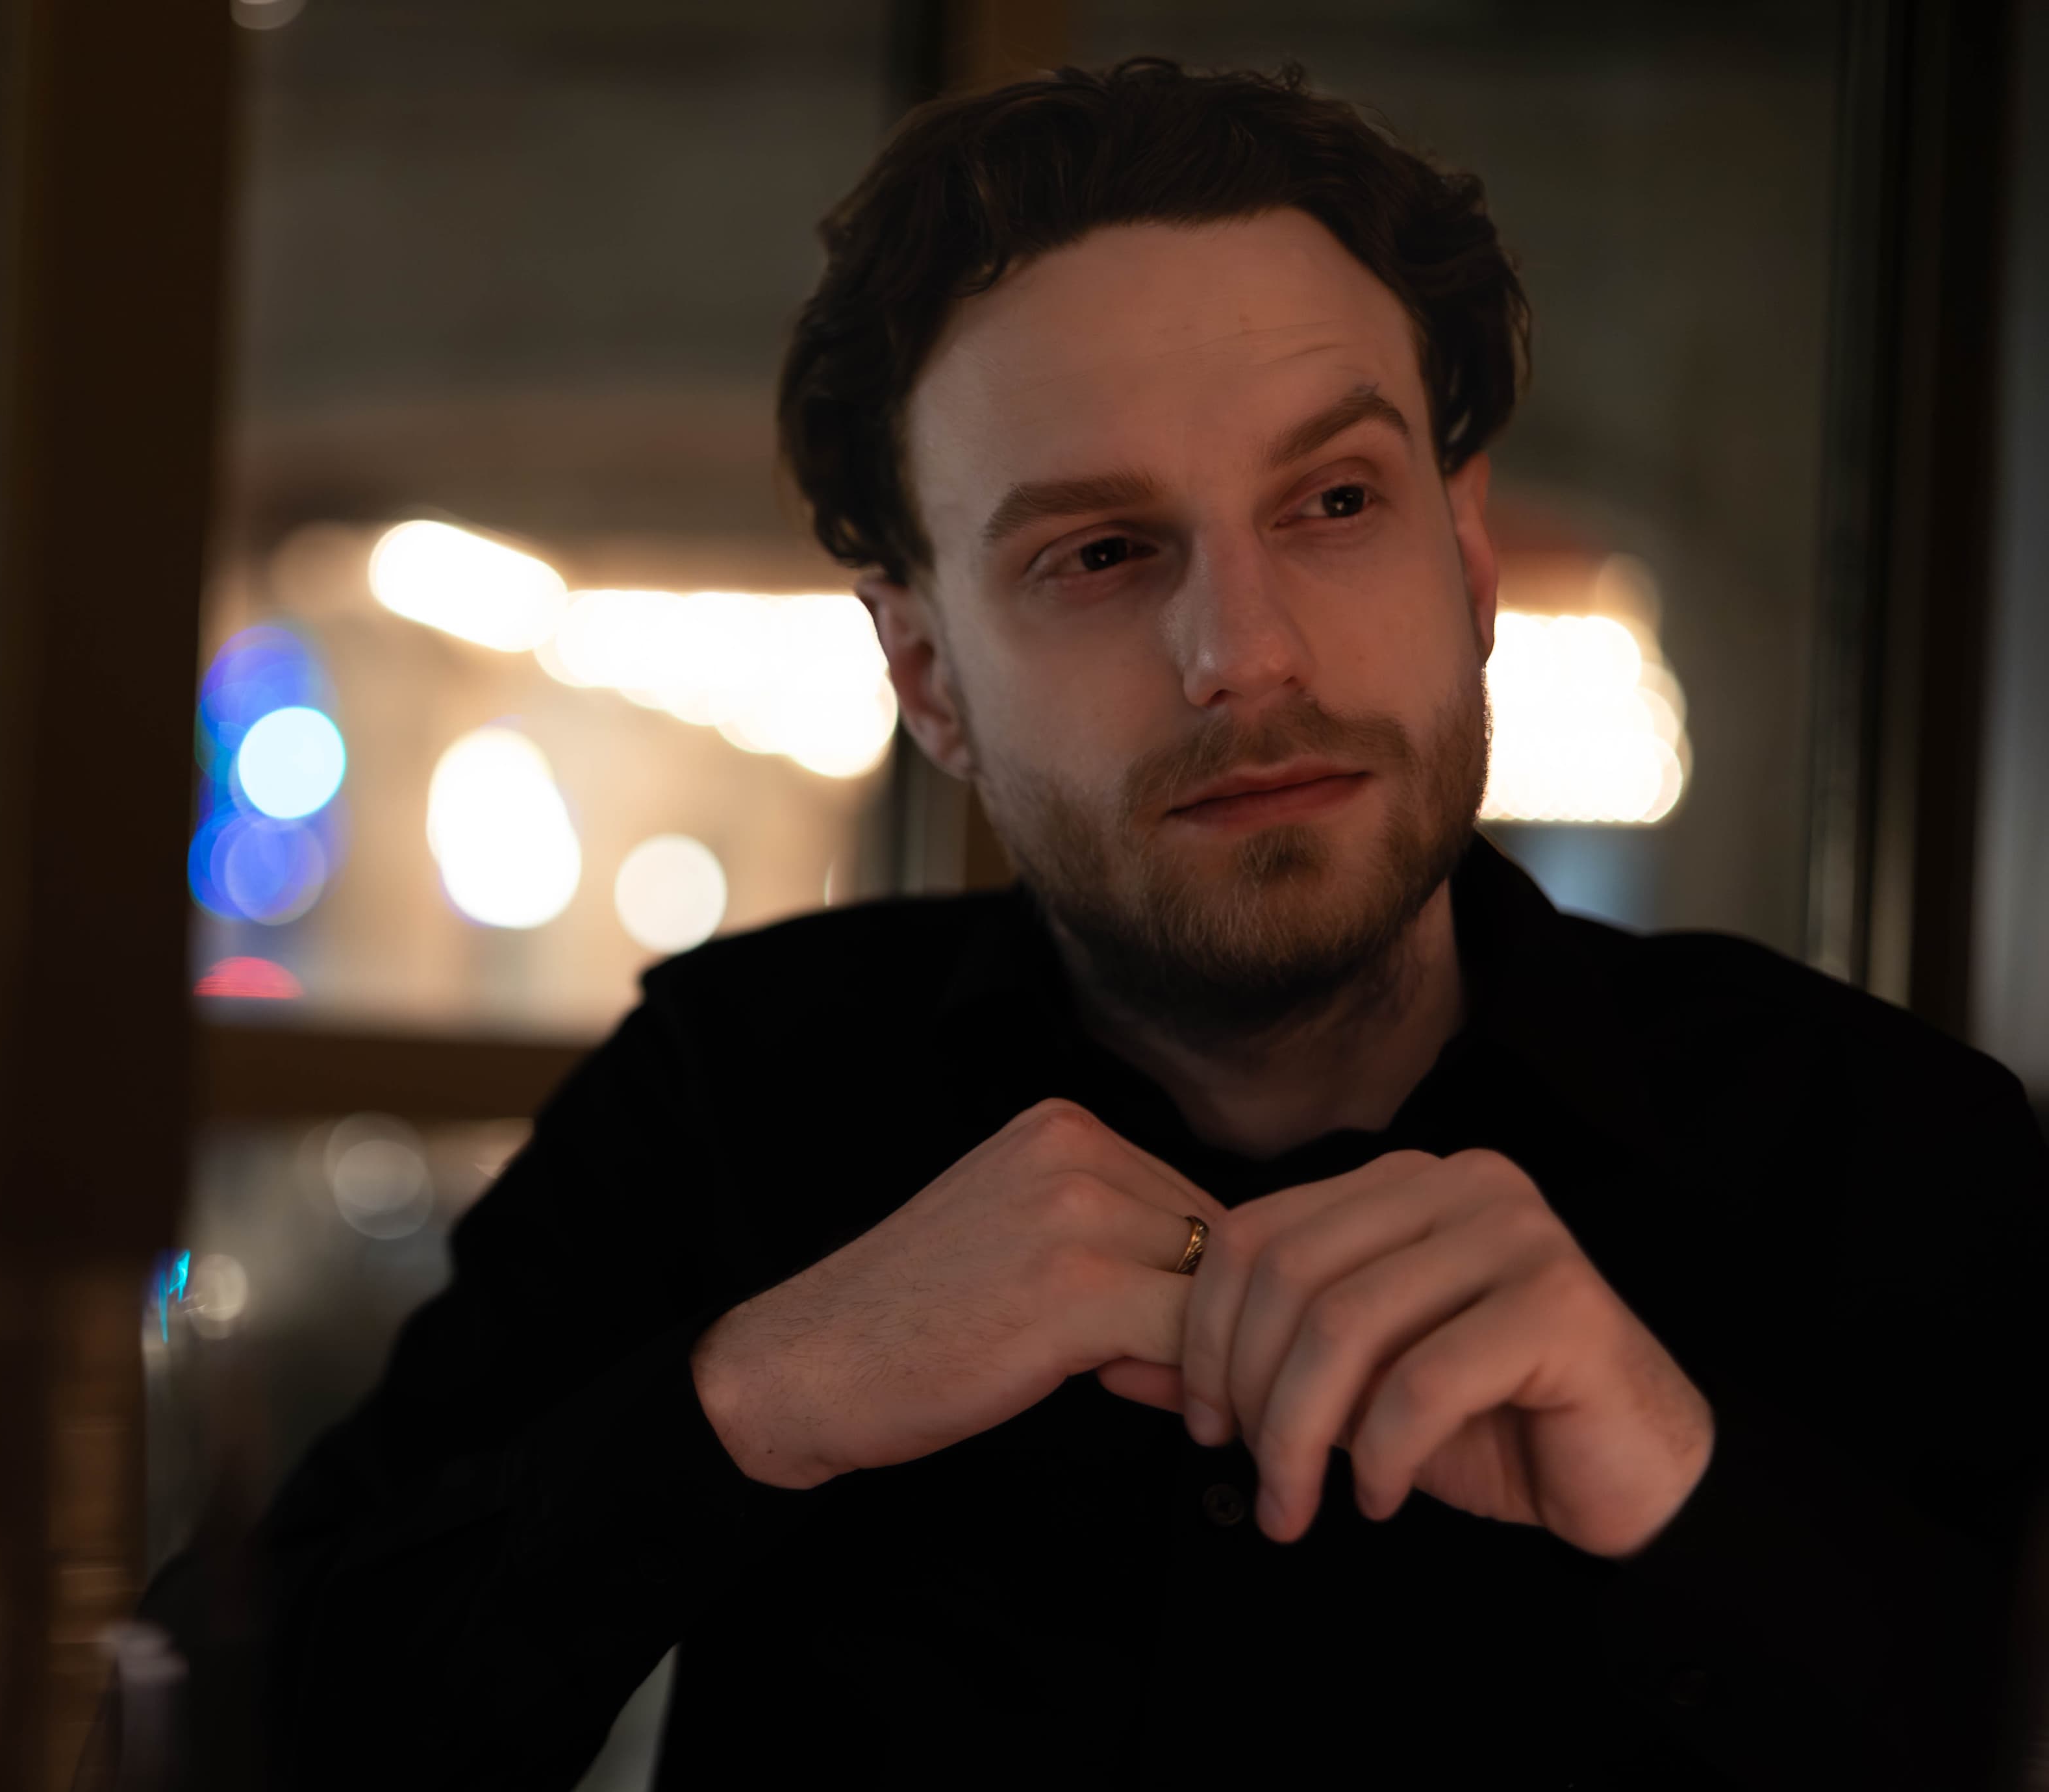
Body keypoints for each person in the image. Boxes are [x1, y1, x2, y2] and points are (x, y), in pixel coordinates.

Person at [251, 60, 2049, 1789]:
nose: (1243, 653)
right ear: (929, 676)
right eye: (1101, 554)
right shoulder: (730, 1103)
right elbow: (228, 1734)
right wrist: (753, 1401)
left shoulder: (1885, 1147)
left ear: (1470, 560)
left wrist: (1684, 1494)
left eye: (1335, 502)